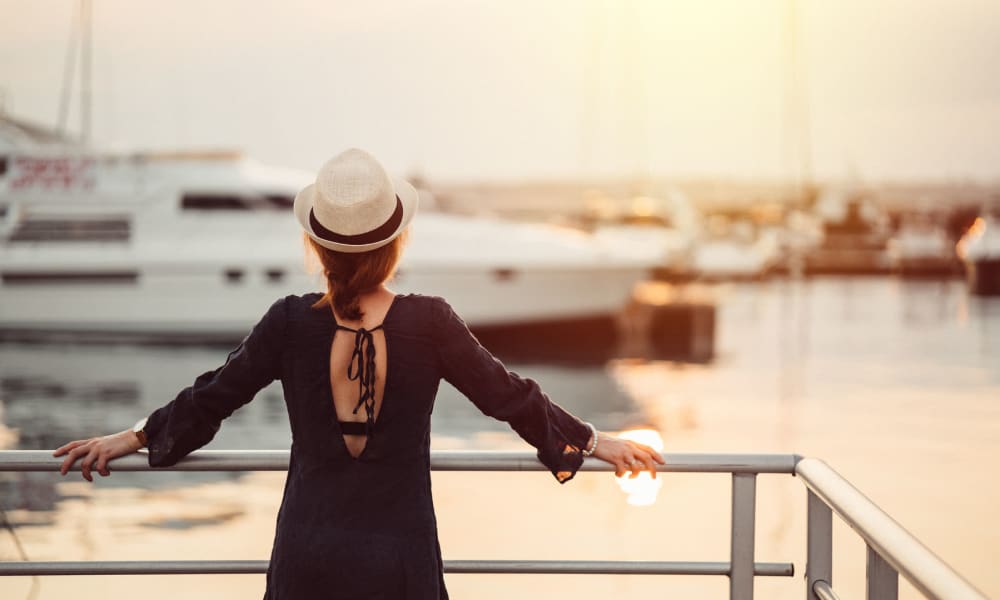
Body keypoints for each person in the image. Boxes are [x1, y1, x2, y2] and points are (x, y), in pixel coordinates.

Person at [52, 148, 666, 599]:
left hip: (307, 555)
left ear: (317, 247)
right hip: (398, 560)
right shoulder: (430, 322)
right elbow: (506, 396)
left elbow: (214, 396)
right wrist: (592, 440)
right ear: (394, 244)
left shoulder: (288, 323)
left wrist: (131, 437)